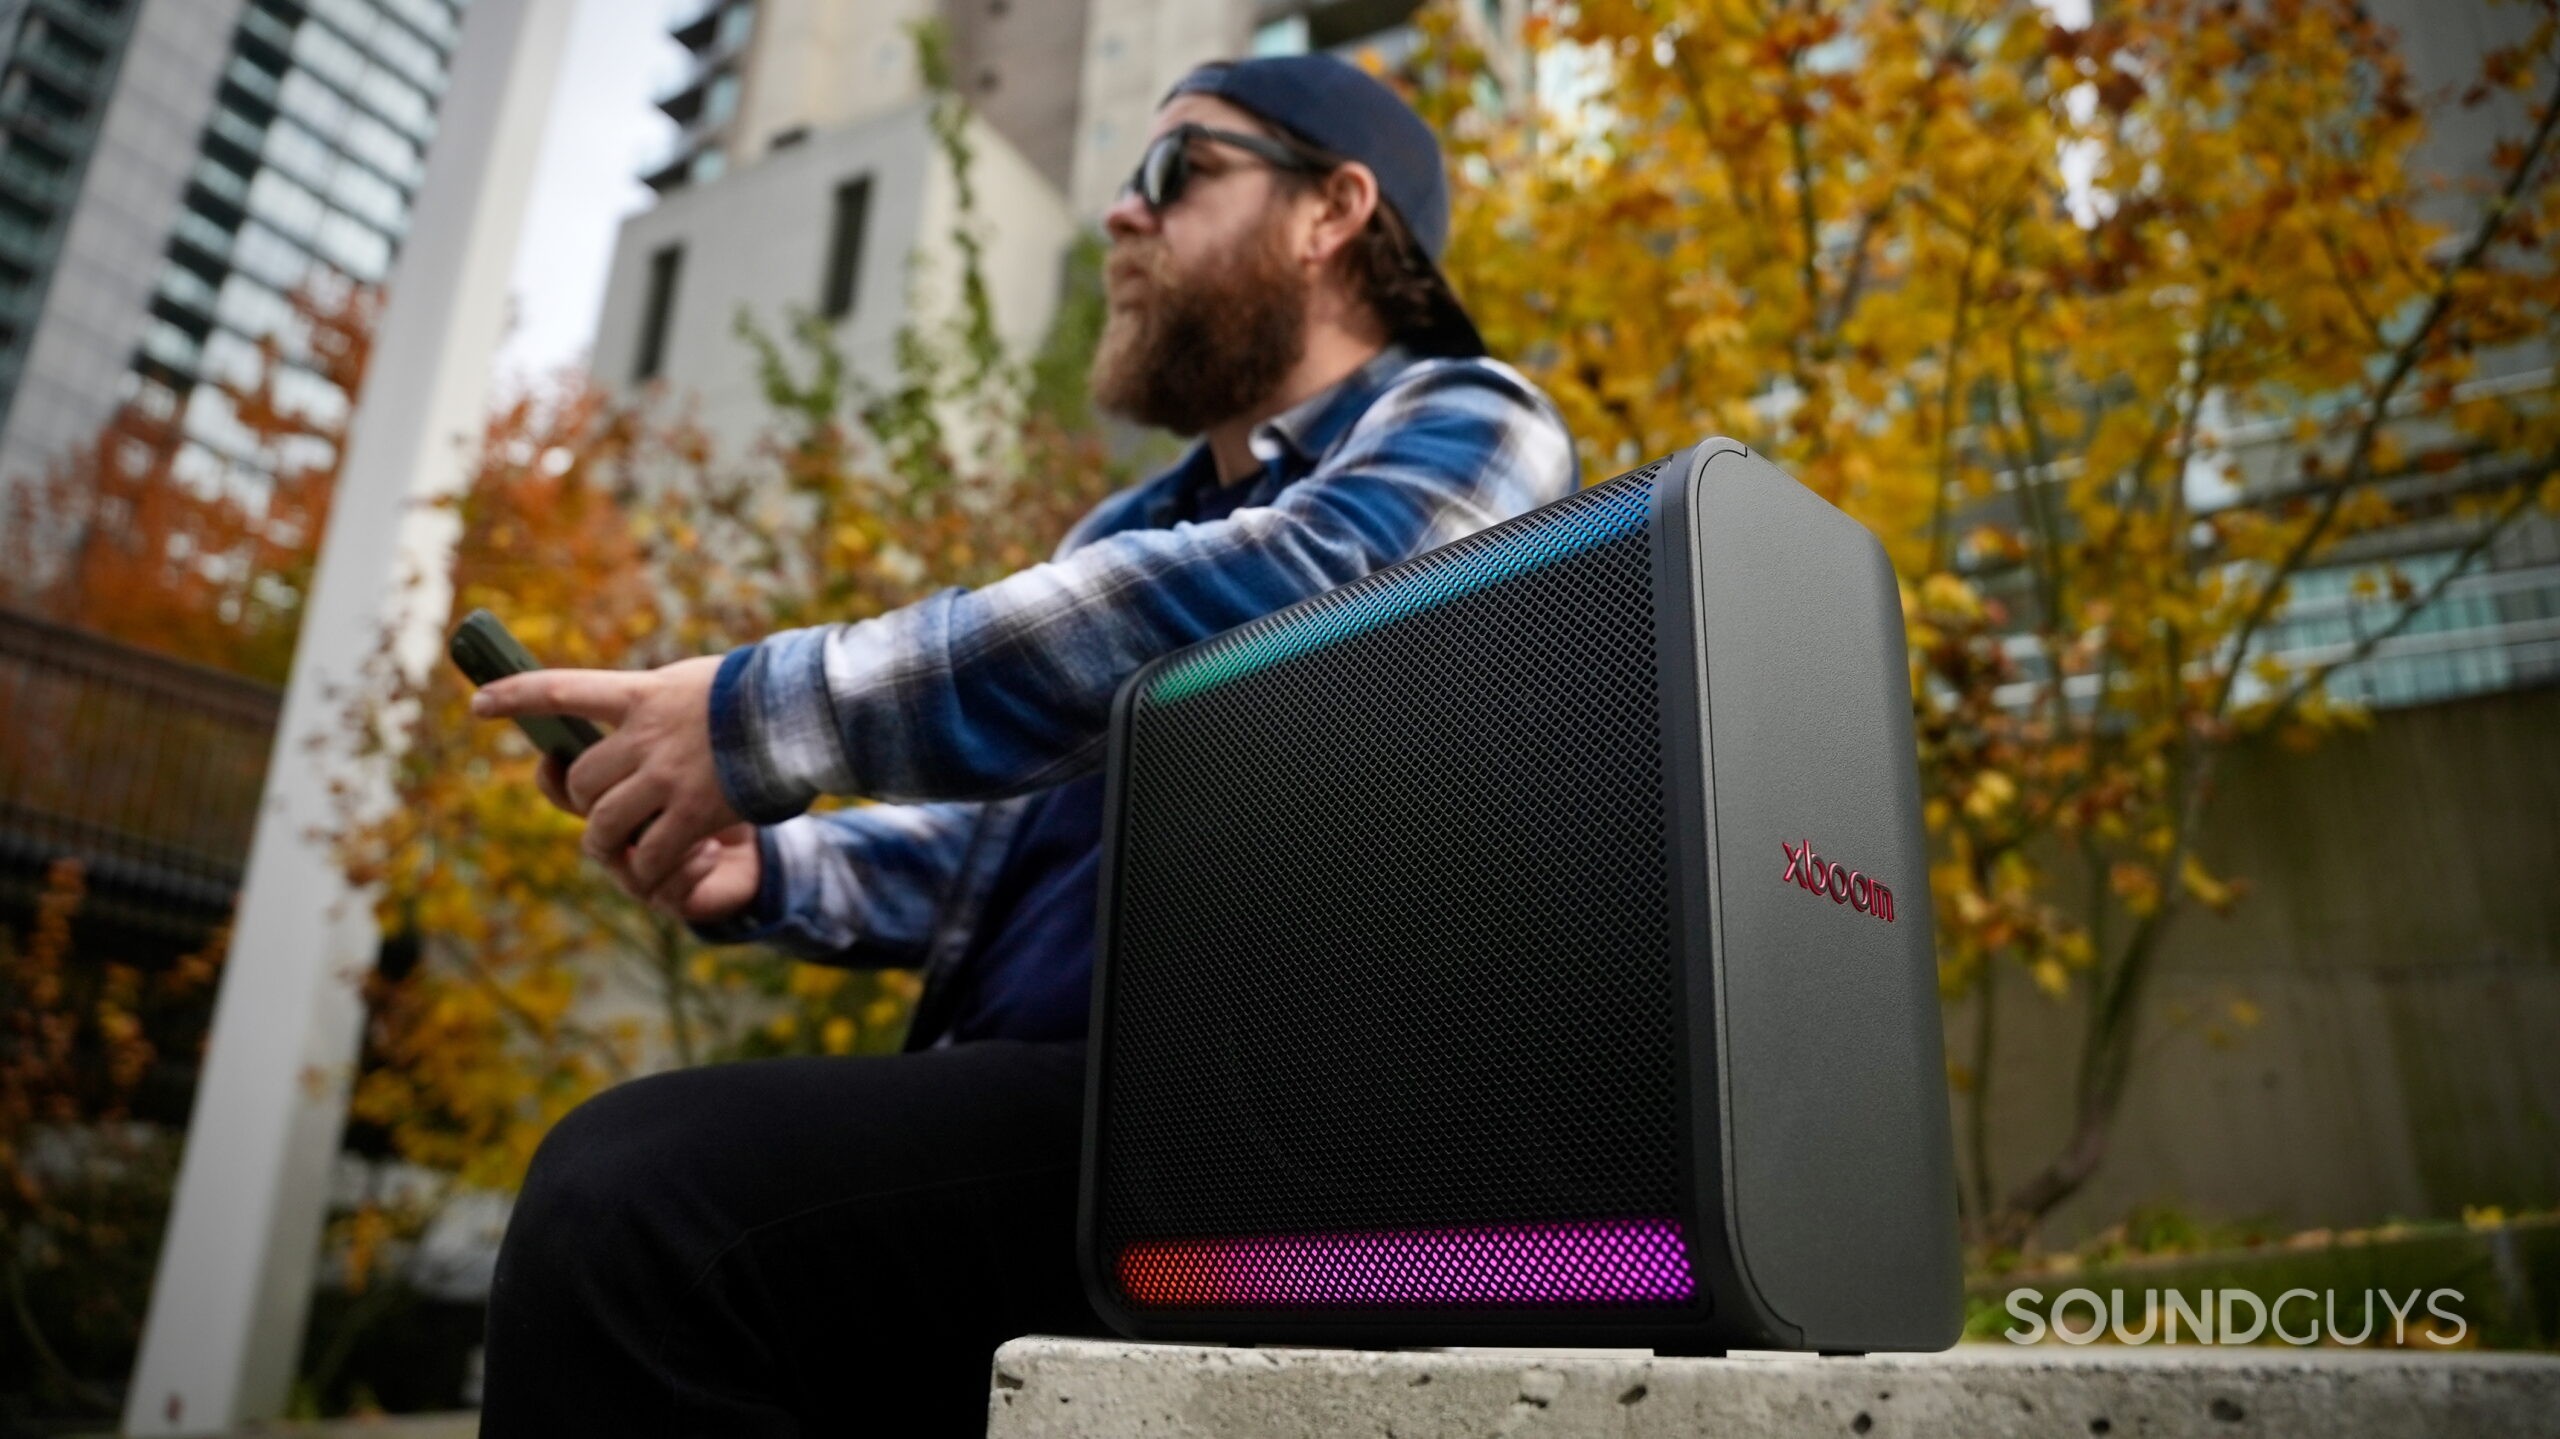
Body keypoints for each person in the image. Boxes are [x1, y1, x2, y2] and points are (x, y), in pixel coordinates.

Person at [470, 53, 1578, 1437]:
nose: (1122, 213)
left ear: (1332, 213)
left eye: (1178, 169)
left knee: (637, 1203)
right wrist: (770, 868)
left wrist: (757, 715)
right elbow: (992, 866)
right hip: (1046, 1125)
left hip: (1264, 1134)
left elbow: (1307, 591)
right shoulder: (1118, 537)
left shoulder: (1474, 421)